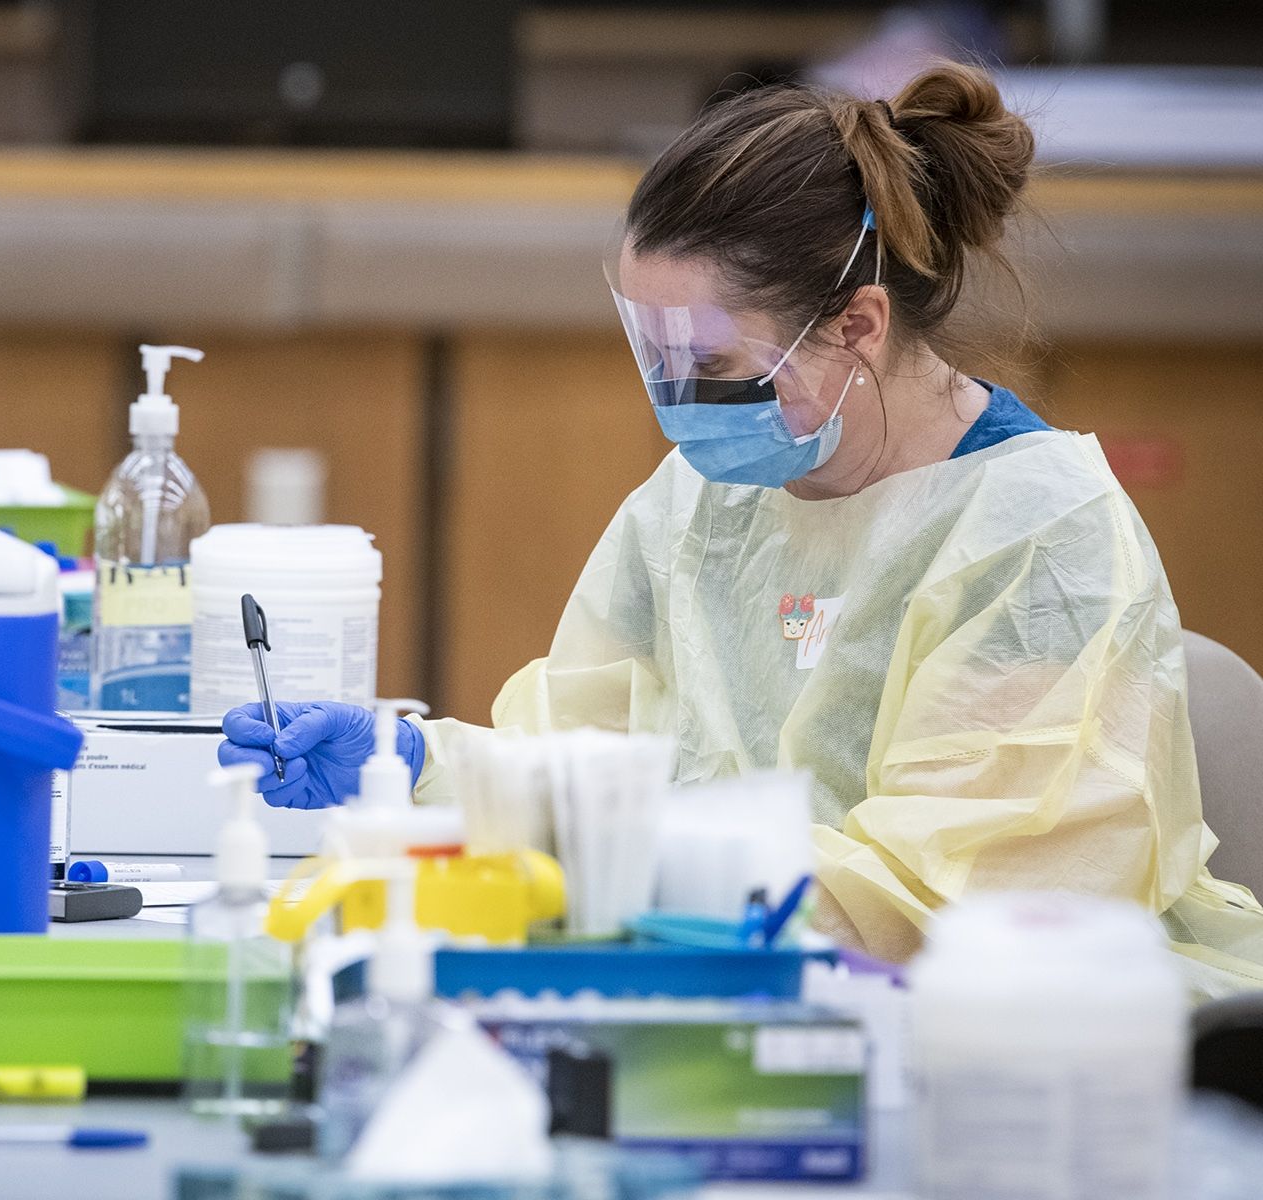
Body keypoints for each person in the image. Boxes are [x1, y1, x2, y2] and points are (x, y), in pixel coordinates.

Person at [221, 61, 1263, 995]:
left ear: (858, 324)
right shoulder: (704, 499)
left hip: (986, 1032)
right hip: (710, 993)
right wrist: (415, 766)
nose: (675, 402)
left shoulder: (1039, 541)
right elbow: (585, 761)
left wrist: (646, 880)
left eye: (710, 366)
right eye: (655, 354)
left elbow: (950, 898)